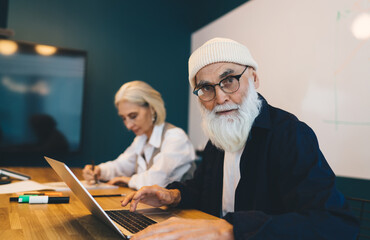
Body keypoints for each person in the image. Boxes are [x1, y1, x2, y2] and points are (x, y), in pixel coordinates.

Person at [121, 38, 359, 239]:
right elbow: (204, 190)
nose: (220, 98)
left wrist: (231, 229)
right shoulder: (217, 136)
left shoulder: (290, 134)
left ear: (254, 79)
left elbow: (334, 223)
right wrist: (174, 195)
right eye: (206, 88)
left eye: (229, 81)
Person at [83, 81, 195, 190]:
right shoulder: (141, 139)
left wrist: (129, 180)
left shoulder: (175, 137)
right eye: (124, 118)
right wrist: (99, 170)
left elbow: (157, 180)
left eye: (133, 116)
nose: (128, 126)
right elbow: (122, 165)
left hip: (183, 209)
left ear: (152, 108)